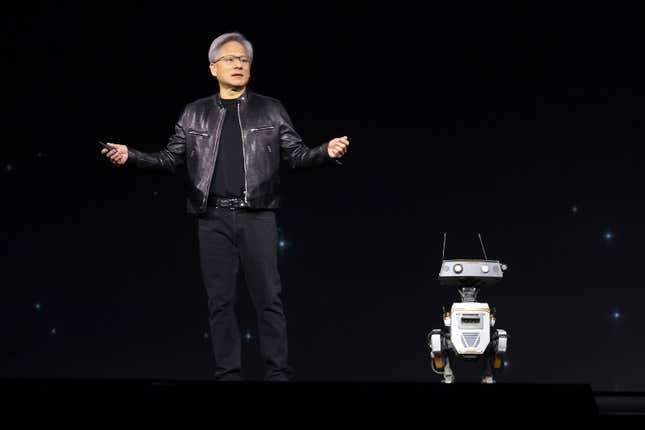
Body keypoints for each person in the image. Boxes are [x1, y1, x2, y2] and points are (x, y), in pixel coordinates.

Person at [101, 32, 349, 381]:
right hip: (212, 218)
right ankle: (228, 375)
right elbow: (169, 159)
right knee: (220, 303)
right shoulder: (194, 113)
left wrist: (325, 152)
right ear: (213, 67)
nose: (238, 65)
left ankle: (278, 374)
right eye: (230, 59)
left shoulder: (270, 108)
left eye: (244, 60)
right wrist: (131, 156)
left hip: (257, 215)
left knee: (269, 300)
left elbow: (296, 155)